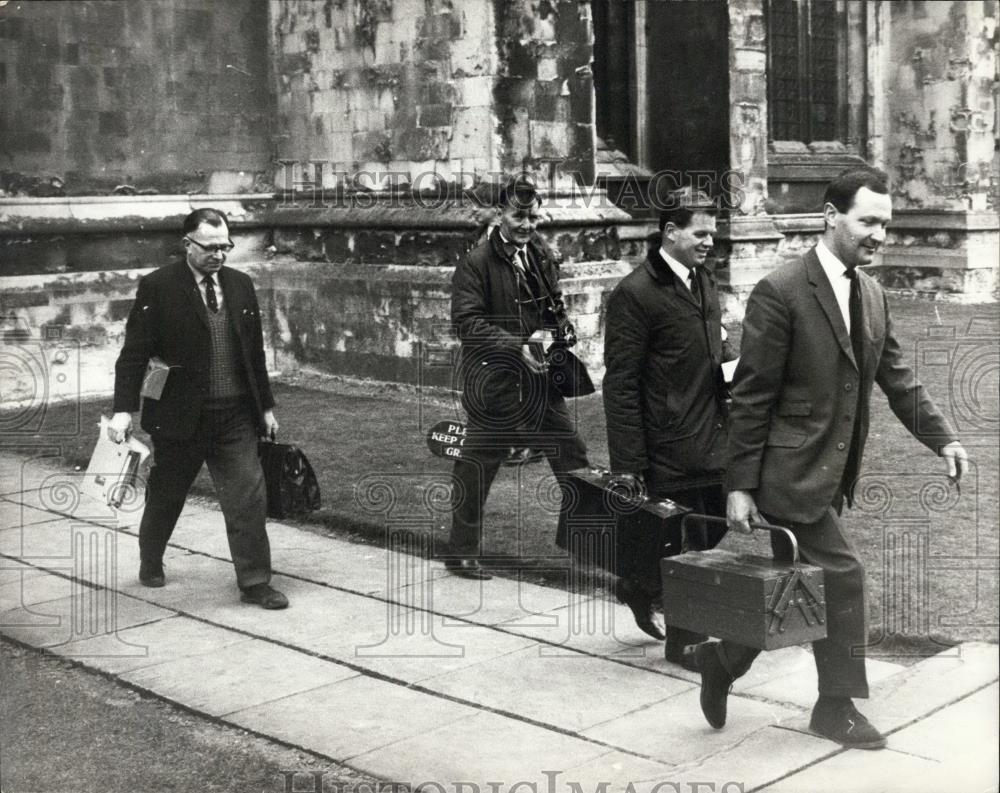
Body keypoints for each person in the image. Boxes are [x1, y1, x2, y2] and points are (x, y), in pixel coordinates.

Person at [695, 168, 968, 749]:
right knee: (842, 577)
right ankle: (834, 708)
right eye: (868, 221)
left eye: (886, 225)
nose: (880, 236)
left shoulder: (870, 293)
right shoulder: (781, 291)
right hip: (785, 474)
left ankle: (724, 660)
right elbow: (750, 397)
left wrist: (943, 439)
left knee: (799, 585)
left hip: (827, 472)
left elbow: (897, 379)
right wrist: (740, 485)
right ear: (830, 217)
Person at [108, 208, 288, 609]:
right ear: (186, 244)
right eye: (210, 247)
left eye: (226, 246)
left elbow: (253, 354)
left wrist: (267, 408)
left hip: (235, 416)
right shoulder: (158, 286)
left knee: (247, 497)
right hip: (179, 416)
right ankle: (151, 557)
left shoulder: (241, 285)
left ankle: (255, 582)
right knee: (167, 494)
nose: (219, 255)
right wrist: (124, 409)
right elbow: (134, 353)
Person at [603, 187, 730, 662]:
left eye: (712, 234)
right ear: (671, 232)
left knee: (715, 524)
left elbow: (716, 343)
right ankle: (686, 642)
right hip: (668, 442)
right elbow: (620, 384)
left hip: (715, 434)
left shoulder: (704, 279)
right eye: (701, 233)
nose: (709, 242)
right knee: (688, 542)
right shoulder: (634, 294)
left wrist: (739, 371)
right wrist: (629, 463)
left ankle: (640, 583)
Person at [448, 174, 589, 579]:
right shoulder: (475, 263)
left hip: (539, 381)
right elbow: (468, 325)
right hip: (495, 384)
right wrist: (518, 345)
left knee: (573, 458)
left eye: (532, 216)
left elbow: (549, 307)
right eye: (518, 216)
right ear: (499, 215)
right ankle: (461, 552)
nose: (527, 224)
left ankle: (582, 545)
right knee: (477, 466)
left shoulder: (540, 254)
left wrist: (556, 330)